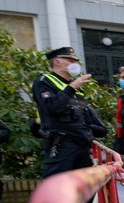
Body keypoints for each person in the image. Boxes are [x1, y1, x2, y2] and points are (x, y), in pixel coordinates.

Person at [32, 46, 107, 179]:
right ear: (57, 62)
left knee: (85, 190)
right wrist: (71, 88)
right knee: (58, 188)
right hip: (61, 145)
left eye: (76, 61)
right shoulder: (44, 82)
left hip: (81, 146)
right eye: (70, 61)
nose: (75, 64)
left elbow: (87, 120)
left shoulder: (76, 88)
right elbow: (52, 108)